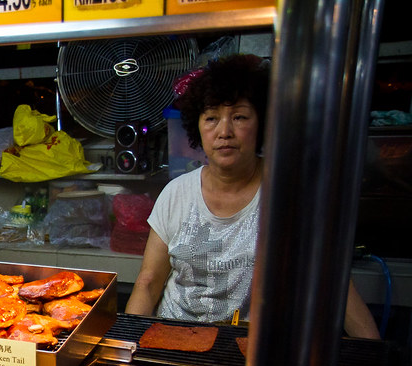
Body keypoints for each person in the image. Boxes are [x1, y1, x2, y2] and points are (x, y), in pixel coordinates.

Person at [125, 54, 380, 339]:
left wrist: (375, 355)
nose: (224, 132)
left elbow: (333, 284)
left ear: (262, 124)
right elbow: (148, 283)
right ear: (197, 127)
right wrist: (128, 346)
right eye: (211, 118)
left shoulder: (290, 195)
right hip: (176, 341)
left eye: (239, 117)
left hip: (254, 349)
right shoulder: (176, 193)